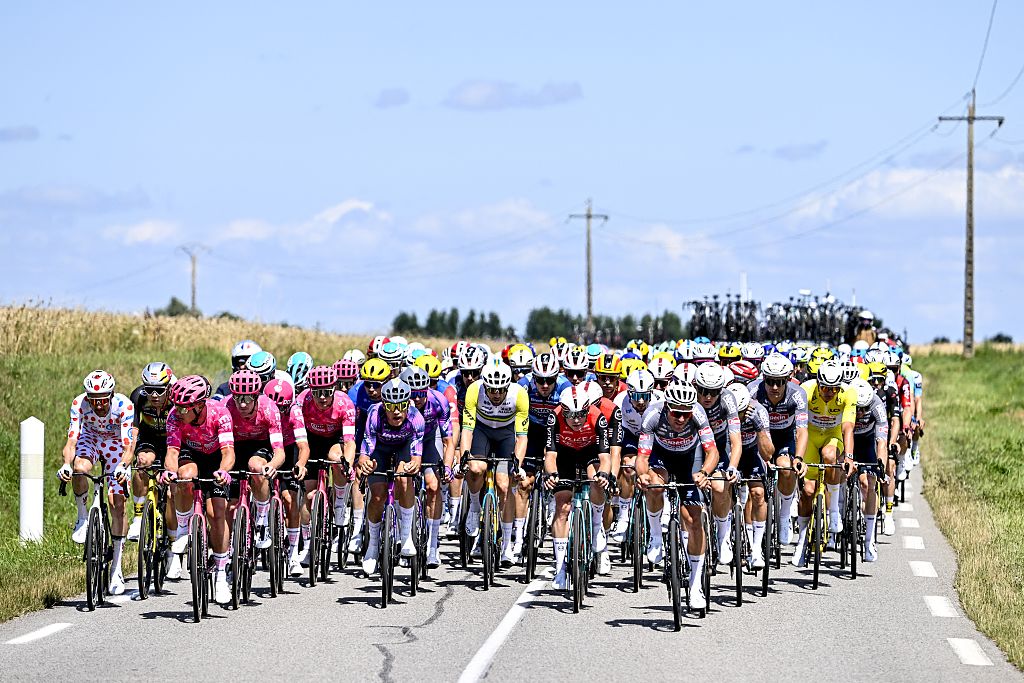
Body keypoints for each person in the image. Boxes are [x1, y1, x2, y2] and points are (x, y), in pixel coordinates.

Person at [635, 382, 719, 609]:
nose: (681, 419)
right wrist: (642, 475)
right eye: (676, 413)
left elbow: (712, 451)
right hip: (661, 456)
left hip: (690, 458)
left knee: (693, 519)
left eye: (685, 414)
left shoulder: (699, 414)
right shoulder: (652, 414)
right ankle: (655, 536)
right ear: (667, 408)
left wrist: (704, 473)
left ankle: (695, 585)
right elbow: (642, 457)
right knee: (653, 485)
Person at [57, 370, 135, 595]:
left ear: (111, 395)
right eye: (94, 399)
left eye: (103, 399)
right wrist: (66, 465)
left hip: (115, 443)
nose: (99, 404)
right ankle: (82, 519)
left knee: (116, 501)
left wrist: (123, 467)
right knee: (80, 469)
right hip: (90, 438)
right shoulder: (80, 403)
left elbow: (128, 445)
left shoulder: (124, 405)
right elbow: (72, 439)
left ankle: (117, 567)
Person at [160, 375, 236, 604]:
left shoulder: (220, 413)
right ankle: (183, 529)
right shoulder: (174, 416)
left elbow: (228, 452)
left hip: (215, 459)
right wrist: (170, 472)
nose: (179, 411)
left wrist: (223, 471)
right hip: (191, 454)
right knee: (183, 478)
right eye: (177, 407)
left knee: (217, 513)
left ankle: (222, 574)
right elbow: (172, 452)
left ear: (200, 405)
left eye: (185, 408)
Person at [542, 385, 613, 589]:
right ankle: (561, 568)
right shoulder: (554, 417)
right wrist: (552, 474)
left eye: (581, 414)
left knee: (597, 480)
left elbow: (605, 457)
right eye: (570, 415)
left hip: (588, 451)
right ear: (563, 410)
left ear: (587, 410)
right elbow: (551, 456)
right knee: (562, 505)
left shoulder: (597, 417)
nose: (576, 420)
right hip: (564, 453)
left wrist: (604, 474)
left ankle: (598, 526)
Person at [355, 379, 425, 575]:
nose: (396, 411)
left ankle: (406, 536)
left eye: (401, 405)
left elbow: (416, 458)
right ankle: (373, 546)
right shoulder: (374, 415)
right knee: (377, 495)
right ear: (384, 404)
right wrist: (366, 464)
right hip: (381, 450)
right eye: (391, 406)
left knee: (404, 477)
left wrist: (413, 465)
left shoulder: (416, 418)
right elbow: (365, 452)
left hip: (404, 446)